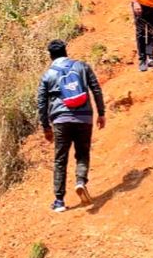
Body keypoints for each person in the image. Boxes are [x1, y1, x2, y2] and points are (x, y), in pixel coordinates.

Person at [36, 39, 106, 213]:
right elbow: (96, 89)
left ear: (51, 55)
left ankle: (59, 201)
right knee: (82, 153)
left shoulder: (48, 75)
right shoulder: (82, 66)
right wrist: (101, 112)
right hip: (84, 117)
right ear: (65, 51)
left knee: (60, 159)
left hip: (61, 120)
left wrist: (46, 126)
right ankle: (80, 181)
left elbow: (41, 102)